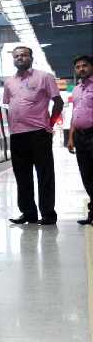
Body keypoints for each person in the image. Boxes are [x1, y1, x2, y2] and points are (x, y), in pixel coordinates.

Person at [3, 46, 63, 226]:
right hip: (17, 135)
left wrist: (50, 124)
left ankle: (48, 214)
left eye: (24, 55)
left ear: (31, 58)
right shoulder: (9, 82)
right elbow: (10, 104)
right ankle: (28, 213)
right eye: (16, 56)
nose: (20, 58)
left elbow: (58, 102)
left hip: (39, 134)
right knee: (22, 176)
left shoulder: (44, 77)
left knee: (44, 175)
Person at [69, 54, 93, 226]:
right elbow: (75, 114)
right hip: (80, 136)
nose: (81, 69)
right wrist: (71, 137)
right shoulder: (76, 89)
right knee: (87, 175)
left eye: (84, 65)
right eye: (78, 67)